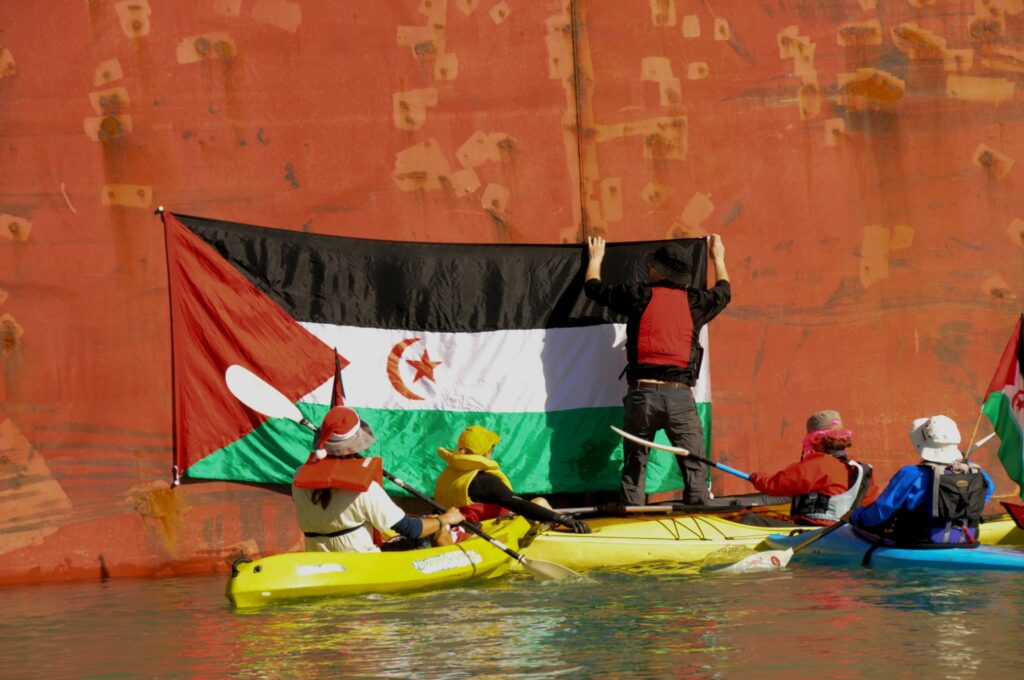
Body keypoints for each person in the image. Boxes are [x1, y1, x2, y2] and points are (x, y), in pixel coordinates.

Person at [584, 234, 730, 506]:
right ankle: (698, 513)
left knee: (634, 464)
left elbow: (593, 289)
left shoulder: (638, 295)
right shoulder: (696, 302)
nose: (649, 269)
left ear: (658, 270)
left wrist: (595, 260)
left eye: (652, 266)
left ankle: (633, 514)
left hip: (643, 396)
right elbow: (724, 292)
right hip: (680, 399)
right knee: (694, 465)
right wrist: (717, 258)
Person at [291, 405, 465, 552]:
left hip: (320, 558)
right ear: (355, 445)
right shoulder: (365, 489)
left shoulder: (298, 477)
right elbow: (411, 530)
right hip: (363, 562)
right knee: (435, 529)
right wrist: (447, 518)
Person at [852, 415, 995, 545]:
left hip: (919, 543)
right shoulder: (978, 474)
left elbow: (881, 511)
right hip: (966, 541)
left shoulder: (911, 473)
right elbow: (986, 495)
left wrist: (857, 516)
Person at [434, 425, 591, 536]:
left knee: (537, 505)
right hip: (486, 533)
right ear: (487, 452)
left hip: (456, 529)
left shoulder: (451, 472)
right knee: (540, 503)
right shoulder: (483, 480)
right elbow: (519, 505)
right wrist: (562, 519)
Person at [747, 410, 878, 526]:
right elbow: (870, 505)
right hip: (842, 532)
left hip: (814, 532)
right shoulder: (861, 469)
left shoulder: (818, 464)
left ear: (816, 440)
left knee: (750, 520)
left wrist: (755, 477)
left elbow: (776, 485)